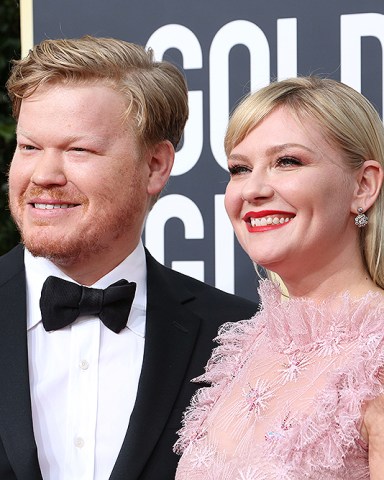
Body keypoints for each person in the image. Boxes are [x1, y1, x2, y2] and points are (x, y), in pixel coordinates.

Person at [0, 36, 258, 480]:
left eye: (79, 149)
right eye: (29, 147)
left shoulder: (239, 340)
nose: (43, 174)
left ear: (155, 165)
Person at [174, 76, 384, 479]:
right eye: (239, 168)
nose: (252, 189)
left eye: (287, 161)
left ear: (363, 185)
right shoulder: (247, 346)